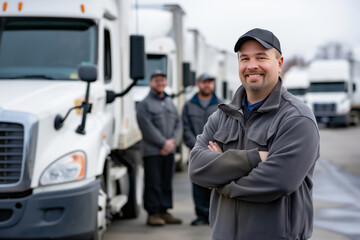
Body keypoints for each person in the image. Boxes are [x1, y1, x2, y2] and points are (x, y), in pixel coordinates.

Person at [188, 28, 320, 240]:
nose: (252, 66)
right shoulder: (222, 116)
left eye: (261, 57)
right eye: (244, 58)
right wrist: (256, 157)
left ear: (279, 63)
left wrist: (221, 179)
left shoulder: (296, 118)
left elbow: (279, 180)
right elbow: (196, 167)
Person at [136, 69, 183, 226]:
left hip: (168, 150)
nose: (160, 83)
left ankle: (164, 211)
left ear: (166, 82)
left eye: (162, 80)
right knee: (153, 182)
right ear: (151, 83)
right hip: (152, 152)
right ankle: (153, 213)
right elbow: (146, 127)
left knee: (166, 182)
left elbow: (178, 124)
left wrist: (172, 143)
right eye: (156, 80)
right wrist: (163, 143)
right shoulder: (144, 104)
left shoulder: (170, 102)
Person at [182, 73, 222, 226]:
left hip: (214, 152)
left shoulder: (220, 104)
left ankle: (214, 216)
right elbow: (185, 127)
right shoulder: (189, 105)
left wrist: (215, 147)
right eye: (205, 82)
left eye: (210, 82)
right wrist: (195, 145)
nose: (208, 85)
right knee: (198, 183)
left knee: (214, 184)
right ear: (198, 84)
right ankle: (201, 215)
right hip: (196, 151)